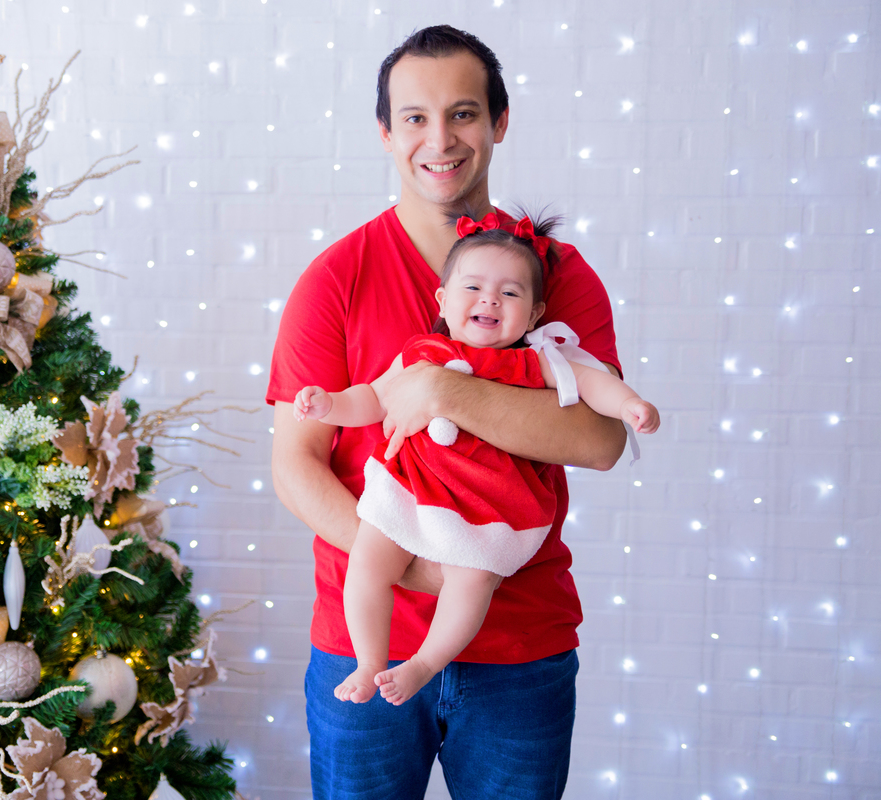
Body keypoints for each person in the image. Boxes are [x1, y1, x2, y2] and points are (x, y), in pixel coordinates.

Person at [267, 24, 631, 799]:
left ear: (500, 123)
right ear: (385, 132)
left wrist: (446, 392)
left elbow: (600, 441)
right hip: (361, 641)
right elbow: (295, 464)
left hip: (519, 648)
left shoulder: (555, 276)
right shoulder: (335, 279)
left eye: (464, 114)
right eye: (416, 118)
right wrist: (413, 562)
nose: (441, 139)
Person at [291, 212, 660, 709]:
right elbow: (373, 399)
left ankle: (425, 663)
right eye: (474, 287)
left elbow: (594, 384)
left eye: (510, 293)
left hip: (489, 509)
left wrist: (629, 405)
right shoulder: (422, 351)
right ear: (442, 301)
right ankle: (368, 661)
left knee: (471, 581)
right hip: (411, 492)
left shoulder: (537, 360)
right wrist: (329, 404)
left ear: (533, 315)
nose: (490, 299)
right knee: (368, 564)